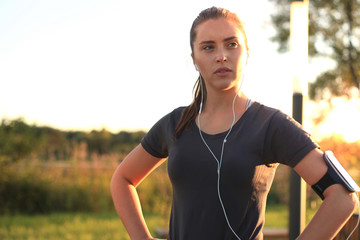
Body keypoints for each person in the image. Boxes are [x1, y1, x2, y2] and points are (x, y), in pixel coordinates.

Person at [110, 6, 358, 240]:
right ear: (194, 59)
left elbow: (342, 197)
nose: (221, 56)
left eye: (231, 44)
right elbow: (122, 179)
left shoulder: (270, 124)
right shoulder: (174, 124)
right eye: (208, 47)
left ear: (246, 53)